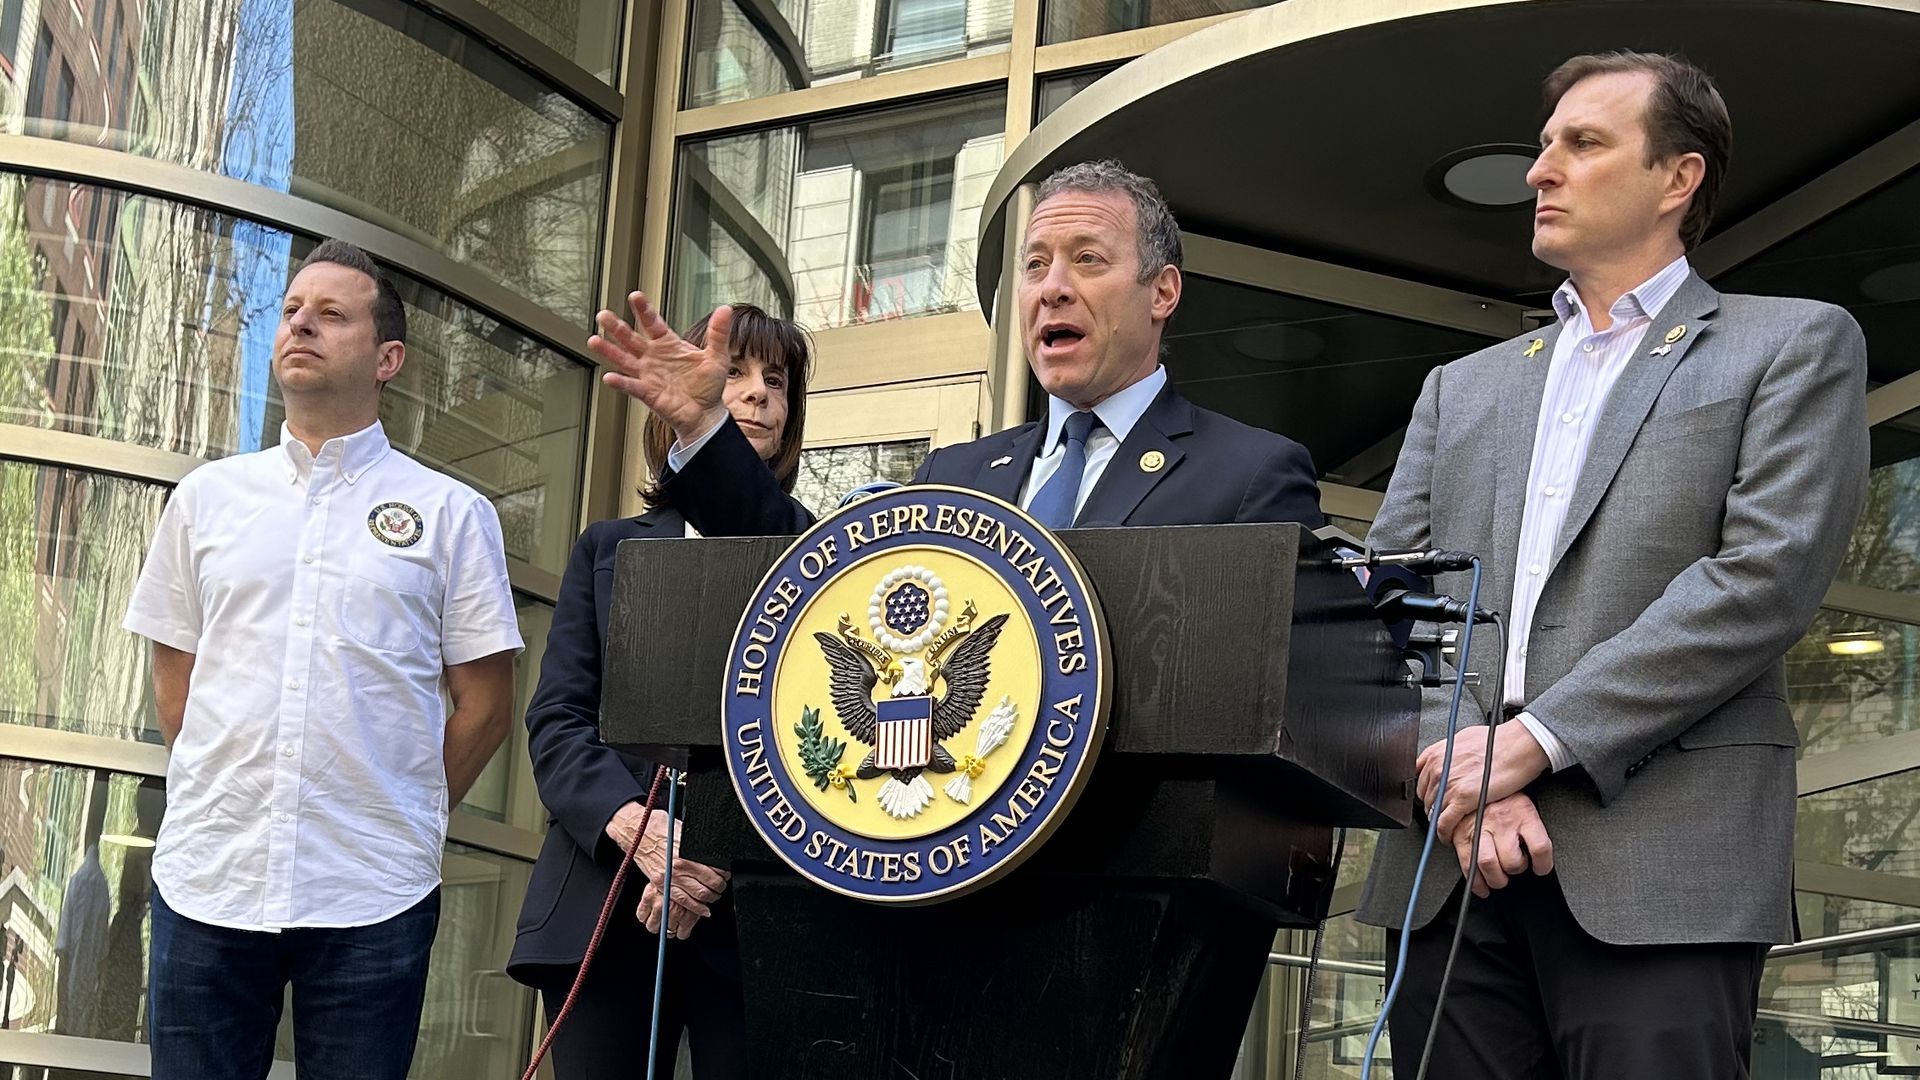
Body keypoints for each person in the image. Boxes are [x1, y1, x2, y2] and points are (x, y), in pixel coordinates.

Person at [1356, 51, 1868, 1078]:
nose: (1542, 170)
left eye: (1583, 144)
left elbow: (1761, 579)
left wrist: (1534, 743)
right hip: (1450, 865)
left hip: (1663, 871)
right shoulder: (1462, 387)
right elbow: (1387, 603)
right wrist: (1468, 771)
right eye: (1544, 145)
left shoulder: (1792, 345)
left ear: (1679, 179)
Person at [123, 239, 524, 1080]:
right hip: (212, 876)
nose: (301, 322)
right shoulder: (206, 500)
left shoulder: (450, 514)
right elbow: (177, 691)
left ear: (388, 358)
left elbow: (485, 706)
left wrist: (402, 811)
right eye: (293, 309)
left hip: (374, 892)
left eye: (331, 313)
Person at [590, 160, 1322, 536]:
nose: (1051, 289)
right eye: (1035, 266)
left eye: (1088, 260)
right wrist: (702, 429)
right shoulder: (955, 476)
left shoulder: (1252, 474)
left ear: (1162, 292)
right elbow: (799, 567)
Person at [507, 305, 814, 1078]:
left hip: (750, 918)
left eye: (774, 382)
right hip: (602, 901)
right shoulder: (607, 549)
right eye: (735, 374)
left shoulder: (812, 553)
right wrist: (637, 831)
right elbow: (557, 723)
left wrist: (711, 853)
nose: (756, 396)